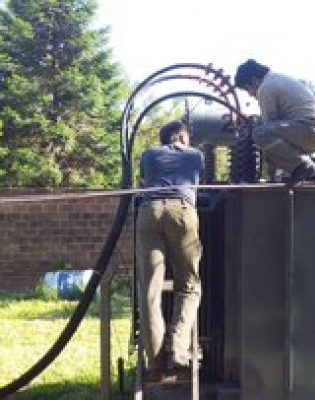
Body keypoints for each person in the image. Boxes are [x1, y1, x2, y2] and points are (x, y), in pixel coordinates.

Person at [136, 120, 204, 382]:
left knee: (150, 289)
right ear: (183, 138)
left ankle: (153, 361)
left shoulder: (149, 155)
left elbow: (143, 181)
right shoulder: (195, 155)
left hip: (149, 212)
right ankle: (177, 350)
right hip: (182, 212)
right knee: (189, 284)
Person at [234, 59, 315, 185]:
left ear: (254, 80)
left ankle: (305, 166)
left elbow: (268, 132)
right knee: (272, 138)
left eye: (248, 89)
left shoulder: (265, 88)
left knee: (260, 134)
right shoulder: (277, 79)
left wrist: (272, 178)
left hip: (309, 129)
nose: (251, 94)